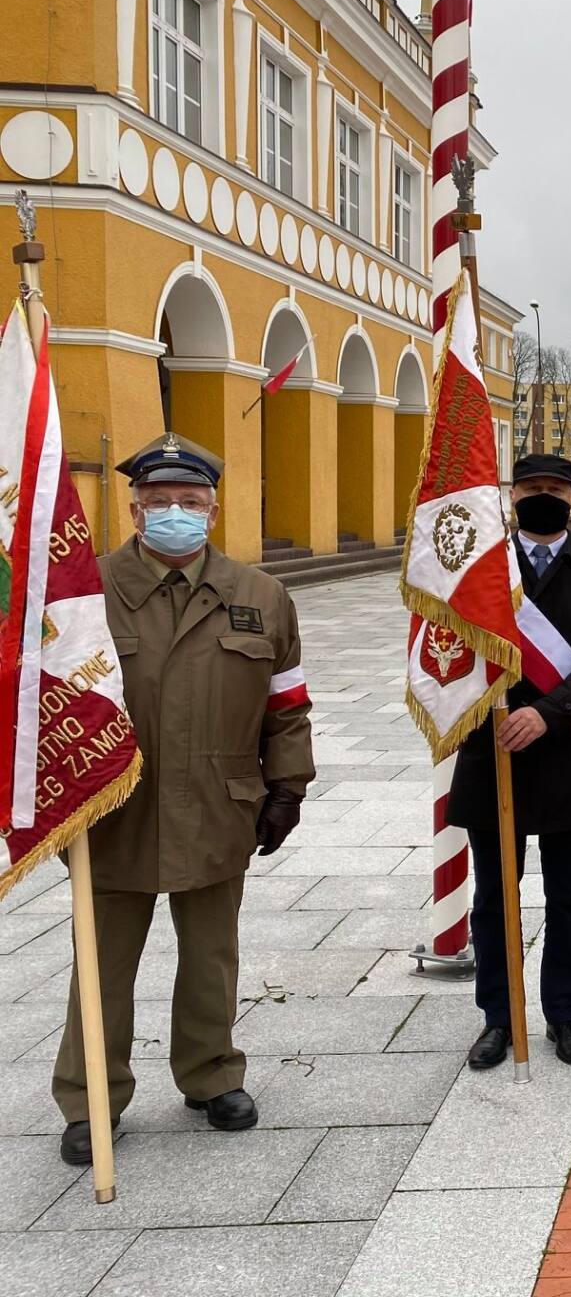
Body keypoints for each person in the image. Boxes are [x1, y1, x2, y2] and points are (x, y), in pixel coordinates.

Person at [54, 433, 314, 1167]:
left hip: (218, 800)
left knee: (210, 955)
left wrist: (287, 786)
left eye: (190, 502)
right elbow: (41, 698)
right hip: (112, 807)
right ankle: (90, 1098)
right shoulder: (85, 590)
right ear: (135, 512)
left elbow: (287, 703)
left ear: (214, 510)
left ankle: (210, 1076)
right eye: (160, 502)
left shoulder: (260, 594)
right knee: (101, 960)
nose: (176, 512)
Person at [450, 454, 571, 1071]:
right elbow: (452, 651)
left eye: (555, 489)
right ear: (512, 493)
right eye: (532, 488)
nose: (544, 497)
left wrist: (546, 713)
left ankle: (564, 1014)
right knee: (496, 896)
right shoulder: (479, 571)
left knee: (567, 895)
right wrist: (490, 710)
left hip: (567, 754)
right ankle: (498, 1016)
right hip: (492, 752)